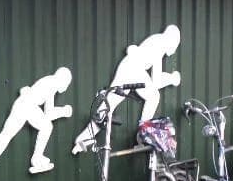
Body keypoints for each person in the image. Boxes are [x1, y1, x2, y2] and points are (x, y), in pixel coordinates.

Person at [72, 24, 182, 153]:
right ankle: (143, 135)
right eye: (176, 45)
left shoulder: (156, 40)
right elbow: (156, 81)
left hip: (128, 66)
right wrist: (172, 79)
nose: (174, 50)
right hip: (134, 69)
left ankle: (83, 139)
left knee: (108, 105)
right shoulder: (160, 44)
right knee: (153, 96)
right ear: (172, 40)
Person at [0, 67, 73, 179]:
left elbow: (42, 105)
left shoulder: (49, 82)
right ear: (63, 80)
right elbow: (48, 114)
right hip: (27, 106)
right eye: (67, 84)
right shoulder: (51, 84)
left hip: (21, 104)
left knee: (5, 136)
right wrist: (64, 111)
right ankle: (36, 158)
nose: (66, 87)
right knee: (46, 127)